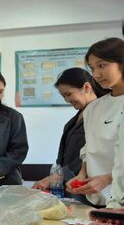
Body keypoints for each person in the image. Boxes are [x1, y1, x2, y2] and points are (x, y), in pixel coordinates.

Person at [67, 38, 124, 206]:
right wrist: (82, 175)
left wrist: (107, 178)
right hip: (95, 199)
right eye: (92, 68)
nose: (96, 74)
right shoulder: (93, 108)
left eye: (102, 65)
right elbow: (89, 147)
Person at [33, 68, 105, 192]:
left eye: (68, 94)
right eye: (63, 96)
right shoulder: (76, 119)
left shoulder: (103, 115)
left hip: (90, 186)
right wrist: (55, 177)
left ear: (86, 88)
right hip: (69, 185)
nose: (66, 100)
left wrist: (56, 177)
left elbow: (94, 154)